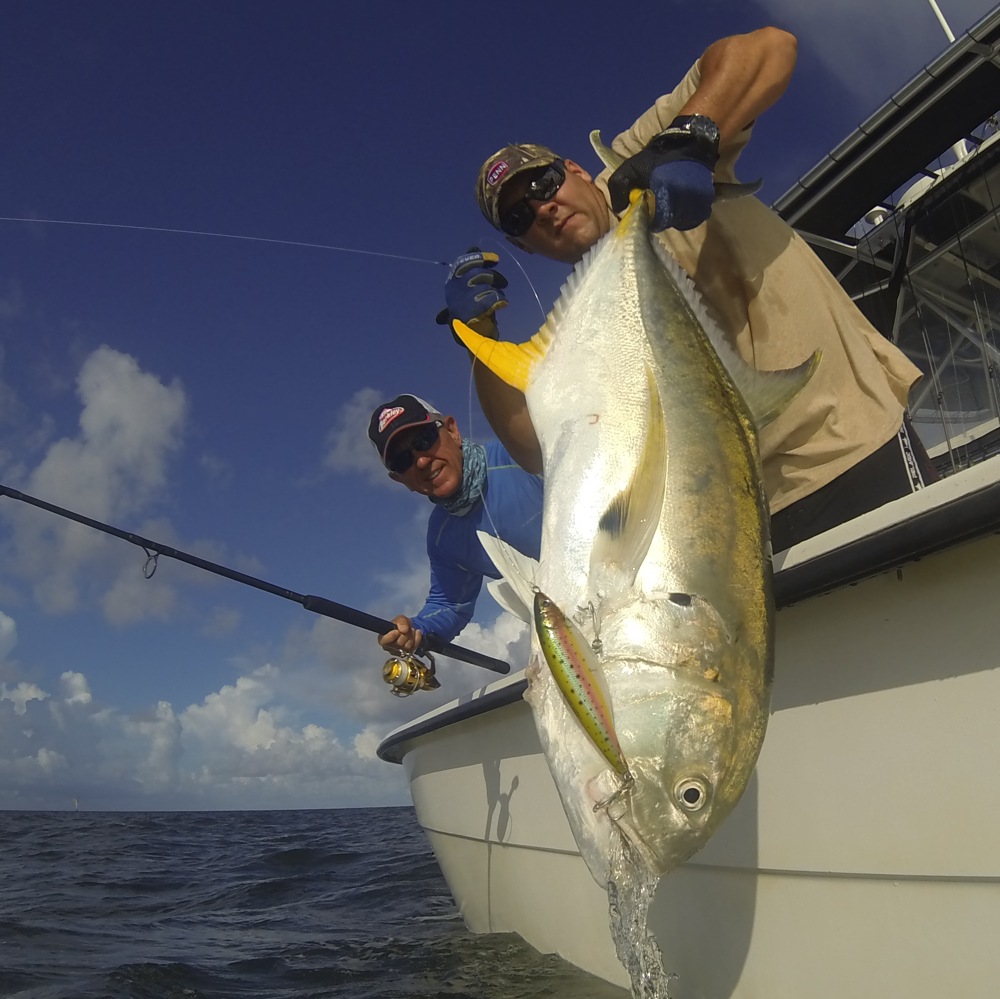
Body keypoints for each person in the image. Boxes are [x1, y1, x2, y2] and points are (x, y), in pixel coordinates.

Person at [441, 26, 935, 551]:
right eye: (519, 216)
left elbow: (770, 48)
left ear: (577, 170)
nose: (542, 208)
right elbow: (539, 450)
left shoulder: (638, 157)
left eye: (542, 185)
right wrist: (478, 340)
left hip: (850, 445)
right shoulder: (579, 327)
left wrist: (689, 140)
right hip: (742, 525)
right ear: (525, 247)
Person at [368, 393, 543, 653]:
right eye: (403, 461)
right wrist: (415, 630)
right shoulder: (442, 537)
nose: (421, 461)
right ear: (400, 480)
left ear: (452, 430)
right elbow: (450, 605)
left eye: (424, 440)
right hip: (563, 625)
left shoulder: (521, 456)